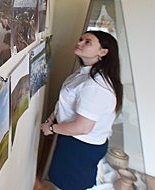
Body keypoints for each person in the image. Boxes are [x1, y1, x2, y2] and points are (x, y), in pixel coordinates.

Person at [40, 31, 123, 190]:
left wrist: (51, 128)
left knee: (71, 184)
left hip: (80, 145)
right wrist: (53, 117)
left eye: (88, 42)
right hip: (73, 139)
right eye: (81, 39)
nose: (80, 43)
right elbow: (67, 100)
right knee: (63, 181)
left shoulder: (96, 85)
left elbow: (82, 128)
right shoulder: (86, 72)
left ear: (103, 52)